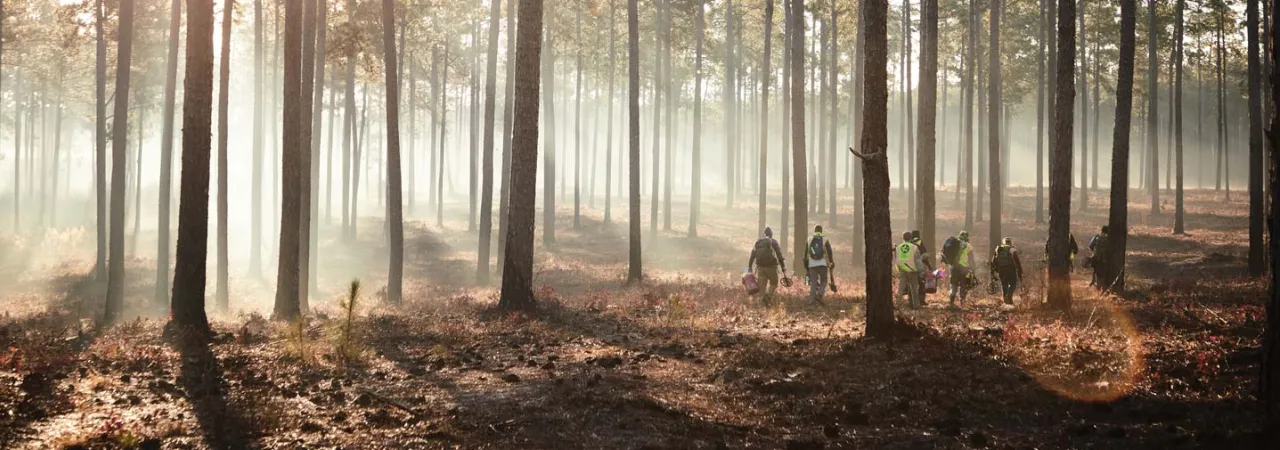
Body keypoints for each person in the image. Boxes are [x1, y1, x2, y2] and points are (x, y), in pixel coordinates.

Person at [748, 227, 787, 304]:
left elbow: (752, 255)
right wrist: (783, 266)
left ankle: (762, 304)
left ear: (764, 234)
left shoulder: (758, 242)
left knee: (762, 286)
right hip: (771, 267)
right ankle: (767, 297)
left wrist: (749, 266)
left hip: (760, 267)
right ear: (771, 235)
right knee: (774, 283)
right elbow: (779, 254)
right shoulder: (773, 242)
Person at [803, 225, 835, 305]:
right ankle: (820, 294)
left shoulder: (809, 239)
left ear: (815, 231)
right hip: (822, 264)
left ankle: (811, 300)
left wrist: (806, 266)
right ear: (821, 231)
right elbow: (829, 251)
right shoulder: (825, 239)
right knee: (824, 280)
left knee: (813, 282)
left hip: (812, 264)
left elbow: (806, 253)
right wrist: (831, 262)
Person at [991, 237, 1024, 305]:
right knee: (1013, 284)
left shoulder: (998, 249)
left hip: (1001, 270)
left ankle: (1006, 302)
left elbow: (993, 261)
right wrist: (1020, 271)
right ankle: (1009, 297)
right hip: (1011, 269)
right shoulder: (1012, 249)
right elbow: (1017, 261)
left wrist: (993, 272)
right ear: (1010, 242)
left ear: (1003, 243)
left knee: (1004, 285)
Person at [945, 231, 975, 306]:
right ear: (966, 237)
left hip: (954, 267)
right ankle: (963, 301)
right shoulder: (968, 245)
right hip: (964, 268)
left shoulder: (954, 244)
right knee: (963, 285)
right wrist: (973, 268)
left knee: (953, 284)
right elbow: (971, 259)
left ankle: (951, 300)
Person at [896, 232, 924, 308]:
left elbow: (897, 259)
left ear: (903, 238)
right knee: (914, 289)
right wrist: (921, 270)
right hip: (912, 271)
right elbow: (917, 260)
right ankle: (916, 306)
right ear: (911, 238)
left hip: (902, 270)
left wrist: (898, 268)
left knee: (900, 288)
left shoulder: (898, 247)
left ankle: (897, 304)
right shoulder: (914, 247)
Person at [1089, 225, 1111, 290]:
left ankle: (1097, 287)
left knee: (1097, 272)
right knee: (1104, 274)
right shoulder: (1109, 238)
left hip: (1096, 258)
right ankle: (1103, 288)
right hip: (1105, 259)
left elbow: (1090, 245)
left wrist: (1095, 251)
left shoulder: (1097, 236)